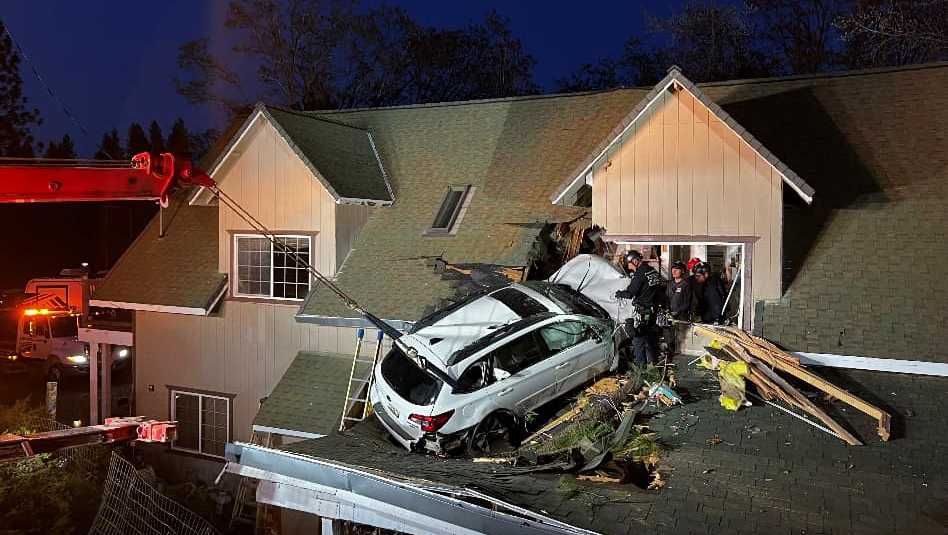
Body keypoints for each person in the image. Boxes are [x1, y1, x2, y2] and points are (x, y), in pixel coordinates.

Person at [615, 250, 662, 366]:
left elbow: (630, 293)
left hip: (643, 311)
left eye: (630, 264)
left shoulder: (640, 273)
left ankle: (641, 368)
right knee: (649, 338)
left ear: (635, 261)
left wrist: (620, 293)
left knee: (638, 339)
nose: (630, 267)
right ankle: (653, 363)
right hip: (653, 310)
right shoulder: (652, 271)